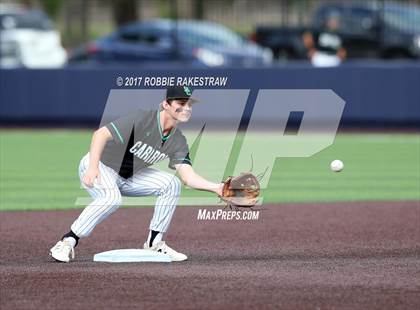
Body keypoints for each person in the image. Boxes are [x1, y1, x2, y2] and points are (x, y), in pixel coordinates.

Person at [50, 86, 223, 262]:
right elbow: (100, 134)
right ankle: (67, 241)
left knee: (172, 184)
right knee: (112, 199)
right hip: (101, 166)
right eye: (181, 103)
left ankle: (154, 244)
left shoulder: (177, 140)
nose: (187, 108)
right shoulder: (142, 119)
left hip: (129, 175)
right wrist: (93, 167)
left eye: (189, 105)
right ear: (166, 104)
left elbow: (188, 178)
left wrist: (218, 188)